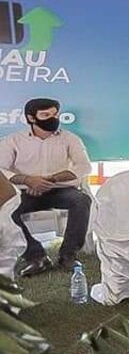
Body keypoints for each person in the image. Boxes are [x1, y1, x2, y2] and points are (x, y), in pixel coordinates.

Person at [0, 98, 92, 276]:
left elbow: (83, 167)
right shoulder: (13, 141)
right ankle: (36, 257)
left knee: (81, 200)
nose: (53, 118)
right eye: (46, 115)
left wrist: (49, 180)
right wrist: (27, 180)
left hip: (60, 190)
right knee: (6, 210)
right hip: (24, 192)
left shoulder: (70, 139)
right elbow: (1, 169)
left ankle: (68, 255)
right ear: (31, 118)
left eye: (55, 114)